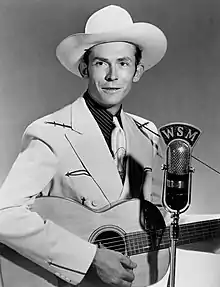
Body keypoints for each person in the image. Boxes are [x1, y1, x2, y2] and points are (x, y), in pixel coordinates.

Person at [0, 4, 219, 287]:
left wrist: (211, 230)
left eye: (123, 63)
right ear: (84, 67)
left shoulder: (147, 134)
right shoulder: (49, 133)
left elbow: (157, 221)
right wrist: (90, 257)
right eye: (101, 63)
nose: (113, 75)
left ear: (137, 71)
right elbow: (4, 213)